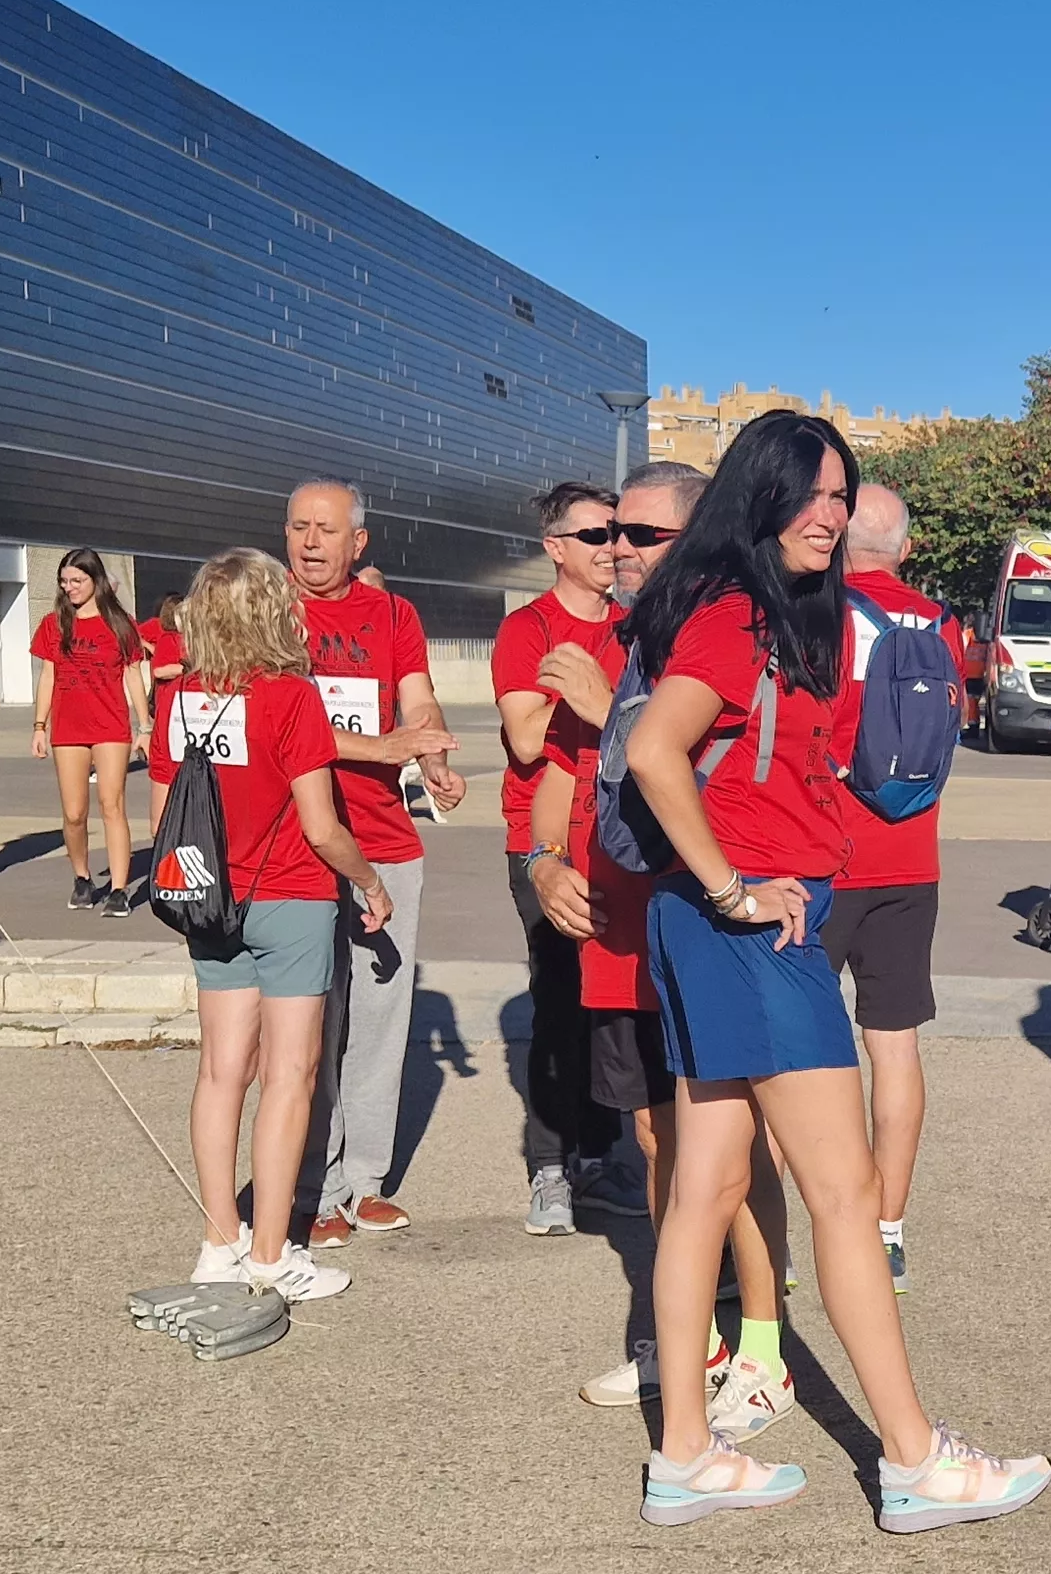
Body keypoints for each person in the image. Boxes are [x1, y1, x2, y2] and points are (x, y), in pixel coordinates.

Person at [619, 412, 1046, 1532]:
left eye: (840, 496)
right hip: (747, 931)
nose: (829, 513)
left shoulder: (752, 612)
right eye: (809, 495)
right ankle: (912, 1460)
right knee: (846, 1194)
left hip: (719, 927)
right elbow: (656, 753)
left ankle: (685, 1454)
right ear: (758, 498)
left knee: (706, 1192)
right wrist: (729, 888)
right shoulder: (735, 617)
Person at [555, 461, 786, 1413]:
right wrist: (539, 863)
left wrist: (733, 891)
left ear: (695, 539)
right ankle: (675, 1342)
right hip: (618, 927)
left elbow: (686, 764)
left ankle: (763, 1347)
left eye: (642, 536)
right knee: (659, 1144)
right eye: (612, 533)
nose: (618, 551)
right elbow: (555, 770)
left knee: (740, 1152)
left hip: (696, 921)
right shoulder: (626, 636)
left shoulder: (725, 628)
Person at [163, 549, 386, 1303]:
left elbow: (164, 812)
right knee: (289, 1076)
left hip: (209, 900)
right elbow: (322, 826)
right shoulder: (292, 697)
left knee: (221, 1071)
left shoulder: (181, 696)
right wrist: (369, 879)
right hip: (289, 894)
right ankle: (270, 1252)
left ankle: (218, 1239)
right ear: (271, 614)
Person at [286, 479, 467, 1245]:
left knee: (382, 1022)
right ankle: (313, 1189)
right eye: (299, 527)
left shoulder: (394, 615)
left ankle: (364, 1182)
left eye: (327, 530)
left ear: (359, 542)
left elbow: (417, 700)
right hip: (297, 846)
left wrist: (428, 753)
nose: (310, 542)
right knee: (311, 1023)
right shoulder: (265, 610)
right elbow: (273, 721)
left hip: (387, 841)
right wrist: (379, 746)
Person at [827, 481, 957, 1293]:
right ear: (906, 550)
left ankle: (770, 1230)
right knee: (897, 1046)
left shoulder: (819, 613)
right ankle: (889, 1232)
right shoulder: (942, 622)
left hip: (825, 856)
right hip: (913, 860)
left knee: (791, 1052)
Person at [495, 481, 628, 1232]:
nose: (611, 548)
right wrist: (587, 696)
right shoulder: (529, 631)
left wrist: (601, 692)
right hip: (540, 842)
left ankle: (602, 1156)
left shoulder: (636, 627)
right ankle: (549, 1168)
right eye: (593, 536)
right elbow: (522, 738)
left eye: (616, 534)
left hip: (617, 839)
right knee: (558, 1001)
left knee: (615, 1005)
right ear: (555, 548)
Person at [29, 548, 149, 914]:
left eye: (77, 581)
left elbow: (132, 674)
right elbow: (48, 674)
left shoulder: (120, 623)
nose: (70, 588)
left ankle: (119, 889)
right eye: (65, 582)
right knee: (74, 813)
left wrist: (145, 725)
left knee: (112, 805)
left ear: (95, 581)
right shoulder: (55, 624)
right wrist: (39, 725)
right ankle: (82, 877)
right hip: (68, 728)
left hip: (111, 725)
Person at [140, 591, 190, 835]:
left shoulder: (187, 639)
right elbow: (160, 670)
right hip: (168, 709)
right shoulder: (169, 640)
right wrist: (185, 668)